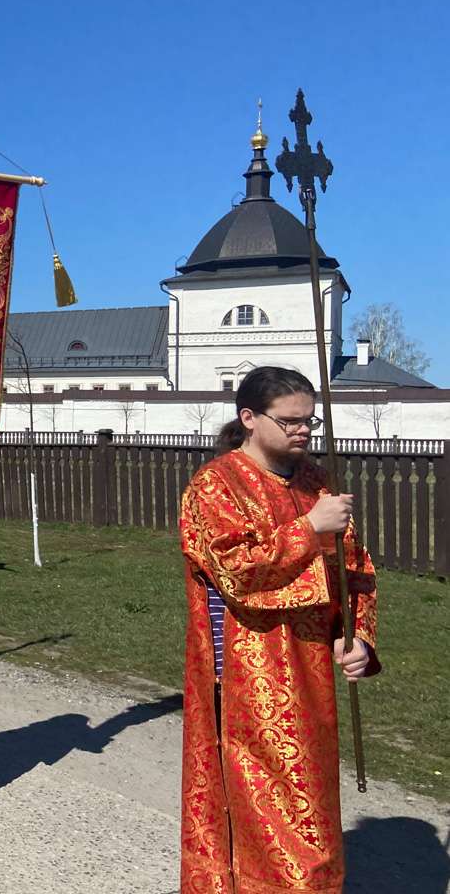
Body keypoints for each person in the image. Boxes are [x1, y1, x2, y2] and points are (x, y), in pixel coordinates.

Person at [177, 367, 379, 893]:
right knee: (269, 814)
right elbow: (236, 572)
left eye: (309, 421)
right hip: (246, 674)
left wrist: (353, 635)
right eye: (289, 421)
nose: (303, 432)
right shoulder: (214, 486)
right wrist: (309, 528)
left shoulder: (316, 482)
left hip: (310, 670)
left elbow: (353, 569)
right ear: (249, 418)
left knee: (311, 802)